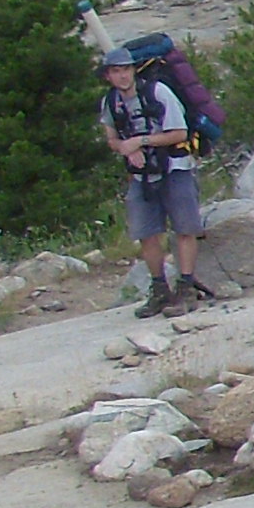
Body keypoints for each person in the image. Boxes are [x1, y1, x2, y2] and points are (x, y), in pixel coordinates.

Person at [99, 46, 211, 318]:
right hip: (142, 174)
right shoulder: (110, 102)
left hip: (175, 166)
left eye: (126, 69)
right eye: (116, 71)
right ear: (108, 76)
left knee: (185, 228)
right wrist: (126, 148)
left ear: (134, 70)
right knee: (146, 233)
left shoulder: (159, 92)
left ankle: (185, 288)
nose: (123, 76)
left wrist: (142, 141)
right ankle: (160, 289)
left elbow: (179, 132)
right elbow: (112, 138)